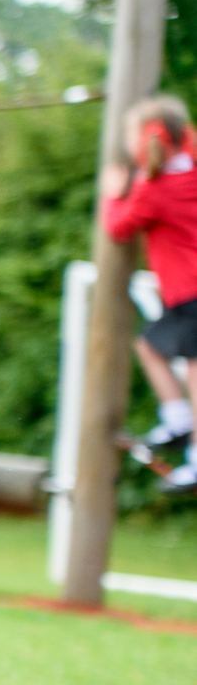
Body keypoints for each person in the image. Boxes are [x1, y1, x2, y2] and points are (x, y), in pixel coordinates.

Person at [103, 95, 197, 492]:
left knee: (195, 371)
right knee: (150, 345)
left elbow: (119, 228)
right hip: (185, 294)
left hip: (190, 290)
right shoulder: (188, 174)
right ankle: (177, 420)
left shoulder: (154, 189)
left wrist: (113, 194)